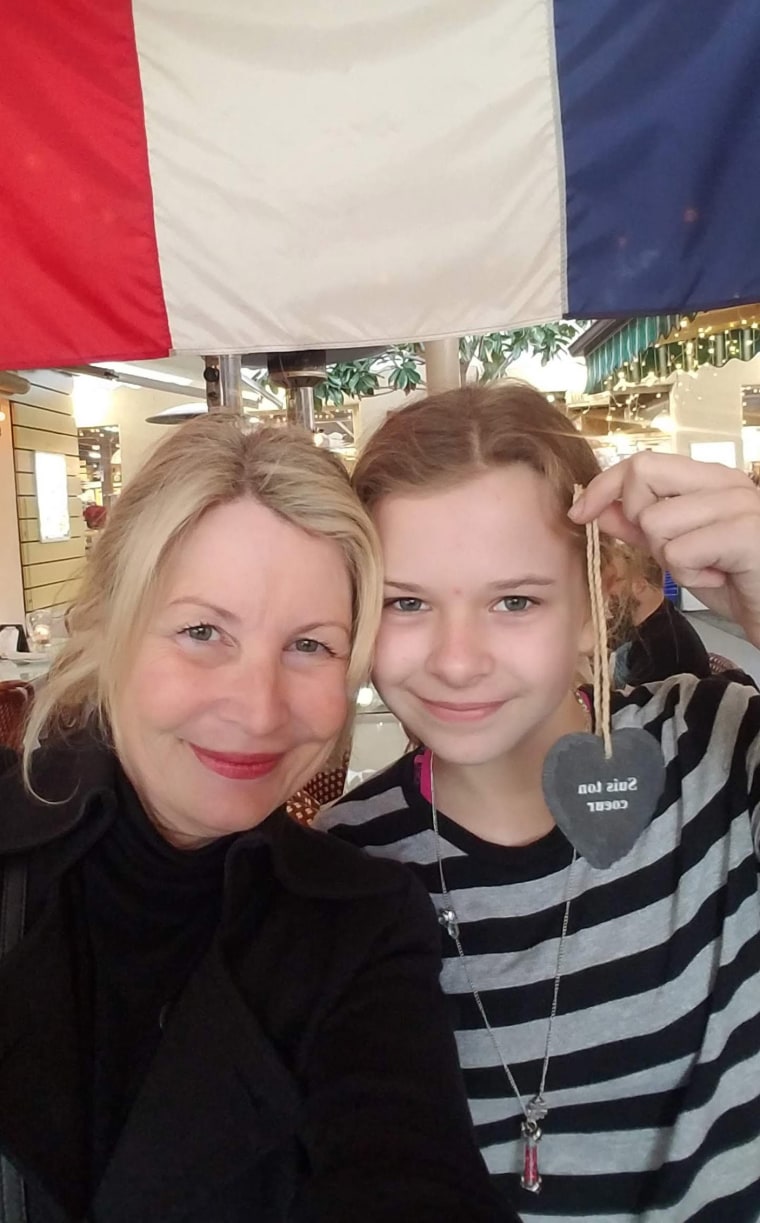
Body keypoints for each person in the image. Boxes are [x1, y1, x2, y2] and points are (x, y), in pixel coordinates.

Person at [0, 414, 508, 1223]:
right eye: (203, 631)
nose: (259, 708)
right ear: (108, 627)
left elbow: (408, 1171)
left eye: (309, 646)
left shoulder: (361, 924)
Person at [318, 383, 760, 1222]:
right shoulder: (341, 866)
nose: (456, 660)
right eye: (406, 602)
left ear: (602, 602)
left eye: (514, 600)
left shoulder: (719, 749)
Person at [606, 543, 712, 685]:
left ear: (639, 586)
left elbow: (632, 705)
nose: (605, 589)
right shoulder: (642, 621)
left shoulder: (663, 650)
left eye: (613, 580)